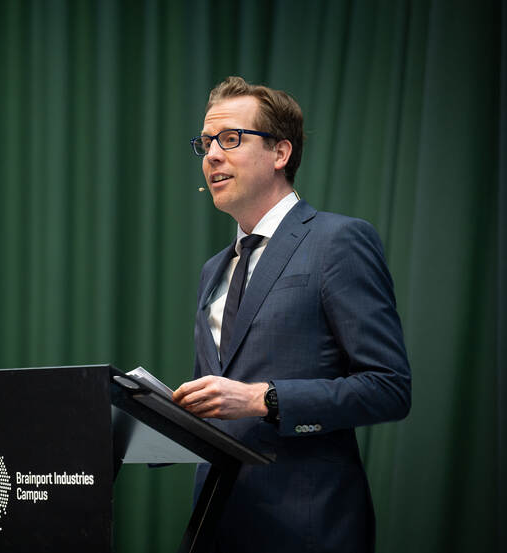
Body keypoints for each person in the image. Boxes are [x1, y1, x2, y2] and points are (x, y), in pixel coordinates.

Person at [171, 76, 411, 553]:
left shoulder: (337, 242)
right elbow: (218, 401)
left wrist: (267, 400)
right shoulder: (213, 270)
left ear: (280, 153)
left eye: (231, 139)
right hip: (216, 526)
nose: (211, 155)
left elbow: (389, 388)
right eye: (205, 143)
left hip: (307, 527)